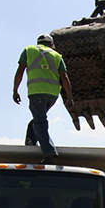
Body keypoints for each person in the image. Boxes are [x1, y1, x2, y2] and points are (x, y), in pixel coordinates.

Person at [12, 34, 74, 163]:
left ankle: (49, 153)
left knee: (40, 120)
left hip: (36, 92)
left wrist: (15, 90)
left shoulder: (29, 50)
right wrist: (69, 97)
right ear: (51, 44)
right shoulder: (57, 56)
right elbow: (64, 78)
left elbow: (20, 70)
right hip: (52, 95)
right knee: (39, 117)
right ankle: (30, 139)